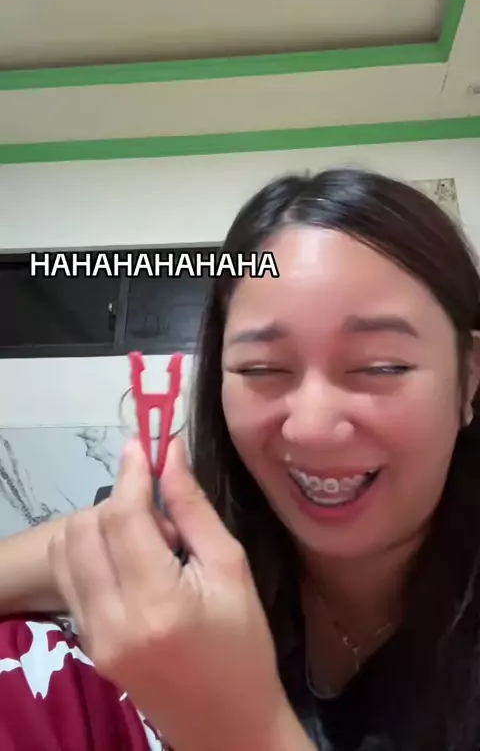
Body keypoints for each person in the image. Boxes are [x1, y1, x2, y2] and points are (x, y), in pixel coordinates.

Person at [0, 168, 480, 751]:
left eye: (381, 366)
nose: (311, 428)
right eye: (262, 369)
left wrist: (237, 725)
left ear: (469, 376)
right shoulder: (190, 531)